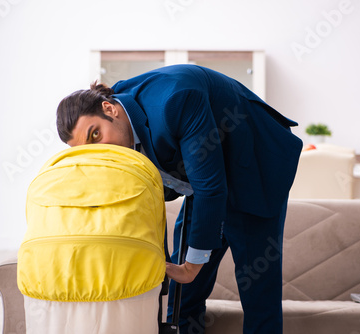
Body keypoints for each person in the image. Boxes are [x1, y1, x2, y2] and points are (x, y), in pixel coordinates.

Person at [56, 64, 303, 334]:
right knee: (181, 297)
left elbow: (211, 188)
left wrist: (193, 264)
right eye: (87, 149)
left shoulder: (176, 100)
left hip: (255, 165)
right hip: (206, 179)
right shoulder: (121, 124)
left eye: (95, 135)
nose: (98, 151)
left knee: (257, 295)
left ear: (109, 109)